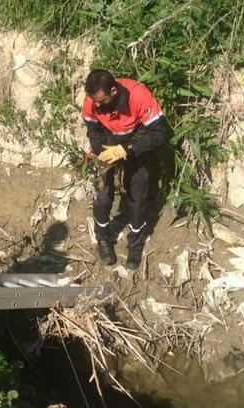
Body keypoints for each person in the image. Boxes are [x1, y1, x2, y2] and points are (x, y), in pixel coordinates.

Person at [81, 69, 170, 270]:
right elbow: (92, 127)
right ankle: (103, 239)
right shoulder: (93, 100)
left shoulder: (139, 96)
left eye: (102, 101)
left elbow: (159, 133)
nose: (97, 105)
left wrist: (126, 150)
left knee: (138, 195)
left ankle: (135, 244)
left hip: (135, 146)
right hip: (106, 145)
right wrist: (98, 148)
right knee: (102, 196)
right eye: (94, 101)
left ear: (114, 91)